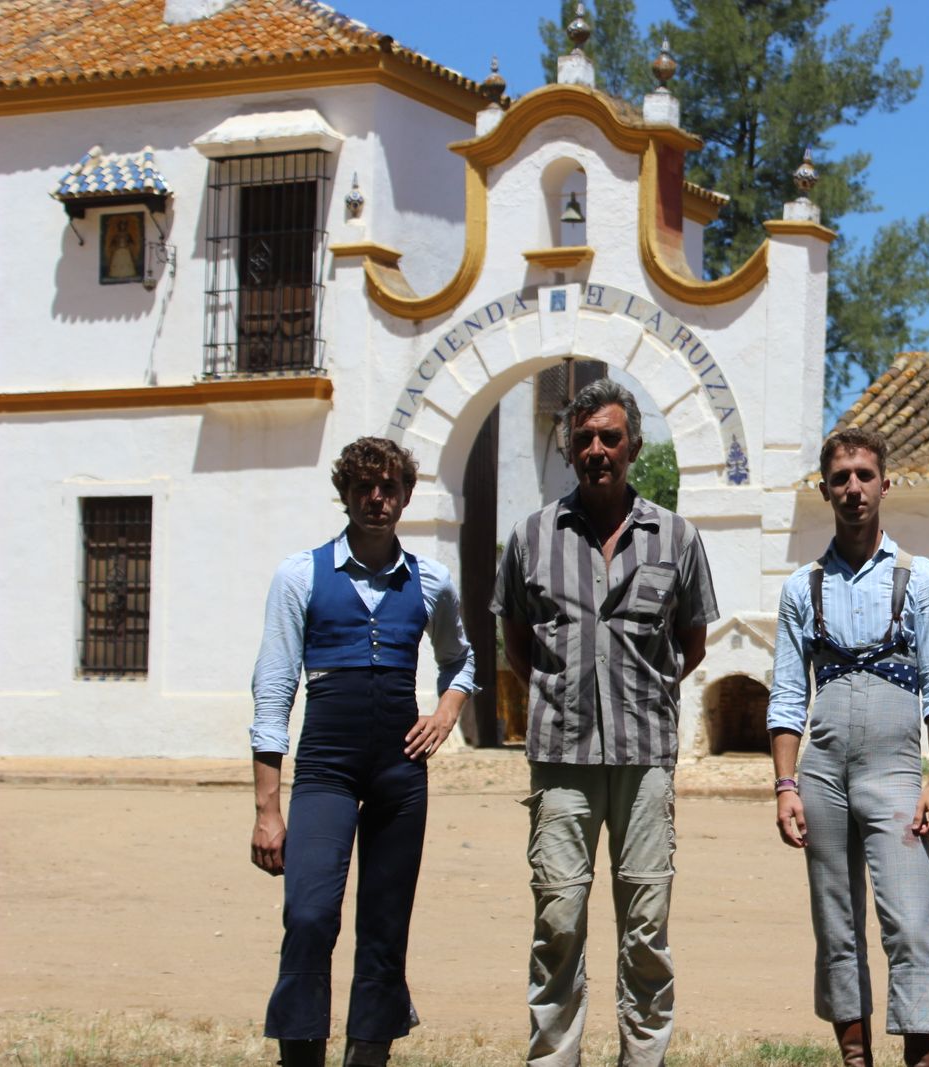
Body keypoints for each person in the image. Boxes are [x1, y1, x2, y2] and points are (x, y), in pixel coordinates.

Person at [493, 379, 719, 1067]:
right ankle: (554, 1058)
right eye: (585, 437)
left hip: (644, 757)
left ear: (634, 446)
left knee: (646, 924)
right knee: (557, 918)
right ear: (568, 447)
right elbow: (515, 639)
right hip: (560, 759)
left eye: (610, 437)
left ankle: (640, 1059)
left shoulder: (676, 537)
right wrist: (565, 693)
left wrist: (638, 694)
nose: (597, 449)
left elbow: (692, 642)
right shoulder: (531, 538)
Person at [249, 436, 477, 1067]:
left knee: (384, 924)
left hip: (399, 775)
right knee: (310, 913)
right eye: (363, 488)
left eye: (389, 488)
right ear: (345, 495)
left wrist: (447, 712)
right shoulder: (300, 574)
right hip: (325, 765)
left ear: (404, 495)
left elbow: (462, 659)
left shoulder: (432, 580)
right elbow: (272, 693)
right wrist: (269, 809)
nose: (377, 499)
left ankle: (368, 1055)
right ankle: (299, 1054)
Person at [767, 426, 929, 1067]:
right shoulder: (803, 587)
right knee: (837, 923)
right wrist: (785, 786)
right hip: (821, 772)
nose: (853, 488)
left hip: (897, 767)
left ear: (885, 484)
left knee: (909, 919)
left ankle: (922, 1056)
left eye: (864, 475)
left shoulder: (920, 578)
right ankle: (855, 1058)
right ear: (825, 489)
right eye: (841, 478)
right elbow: (789, 696)